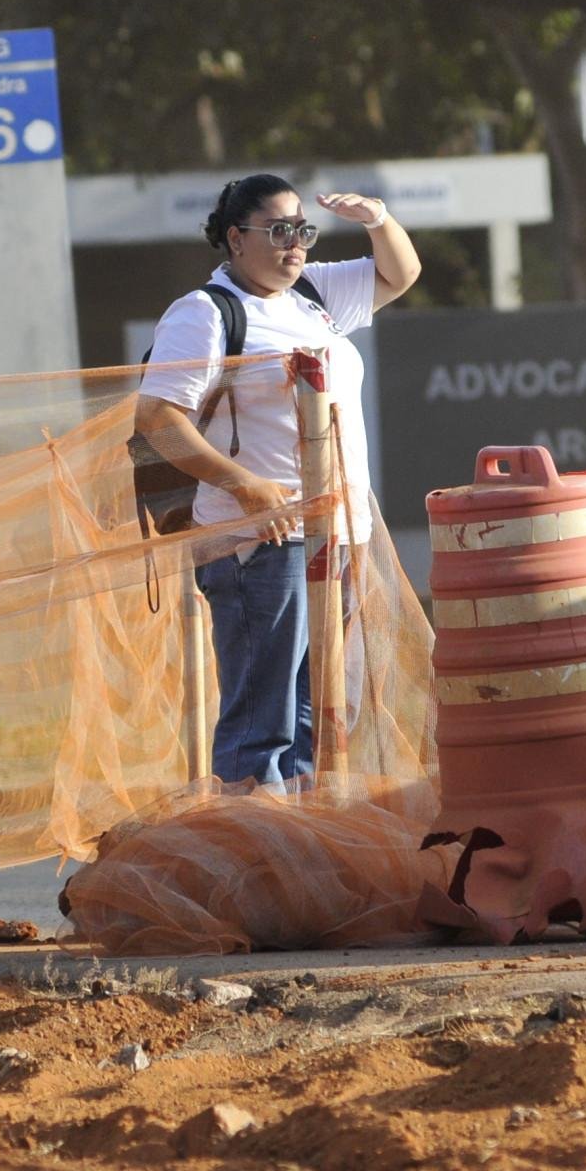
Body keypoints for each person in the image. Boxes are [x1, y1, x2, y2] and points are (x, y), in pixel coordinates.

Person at [134, 176, 421, 787]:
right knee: (263, 718)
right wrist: (242, 484)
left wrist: (376, 217)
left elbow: (400, 274)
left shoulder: (311, 295)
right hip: (258, 541)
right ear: (236, 239)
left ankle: (300, 846)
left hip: (338, 531)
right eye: (279, 230)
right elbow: (157, 419)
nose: (296, 245)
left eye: (304, 230)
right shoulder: (206, 313)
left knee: (317, 709)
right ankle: (252, 856)